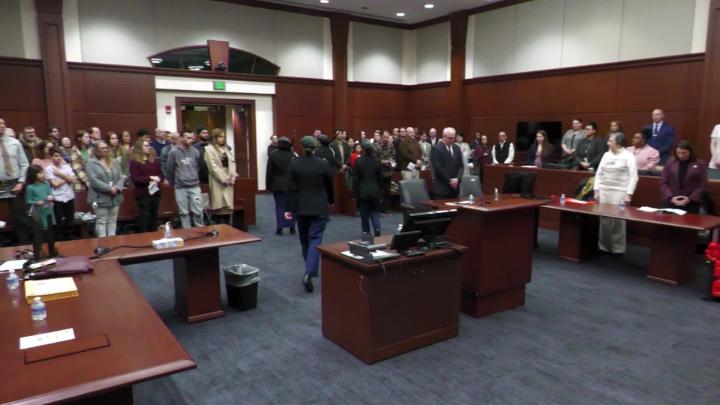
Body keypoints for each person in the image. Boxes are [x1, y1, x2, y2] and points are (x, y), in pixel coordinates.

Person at [284, 136, 334, 293]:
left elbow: (289, 187)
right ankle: (309, 272)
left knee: (305, 240)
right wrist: (331, 201)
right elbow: (329, 185)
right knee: (315, 239)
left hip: (301, 207)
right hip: (319, 206)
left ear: (301, 146)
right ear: (315, 147)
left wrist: (288, 208)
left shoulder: (294, 163)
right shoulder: (323, 164)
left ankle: (309, 269)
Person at [593, 133, 638, 254]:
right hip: (604, 190)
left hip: (620, 191)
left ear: (618, 143)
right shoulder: (606, 155)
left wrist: (629, 194)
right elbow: (599, 173)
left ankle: (617, 248)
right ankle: (603, 246)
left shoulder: (629, 156)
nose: (608, 143)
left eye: (611, 141)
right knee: (604, 219)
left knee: (618, 220)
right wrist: (596, 190)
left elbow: (633, 177)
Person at [0, 116, 30, 243]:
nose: (2, 125)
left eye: (3, 123)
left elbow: (24, 164)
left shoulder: (15, 142)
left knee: (20, 218)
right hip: (0, 184)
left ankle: (24, 245)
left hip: (14, 183)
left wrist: (21, 182)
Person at [87, 140, 124, 237]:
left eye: (106, 148)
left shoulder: (114, 161)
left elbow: (121, 177)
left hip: (115, 196)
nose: (105, 150)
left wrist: (117, 187)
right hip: (99, 197)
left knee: (113, 219)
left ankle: (112, 241)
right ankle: (102, 243)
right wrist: (109, 189)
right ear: (96, 150)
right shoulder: (91, 163)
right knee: (101, 221)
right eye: (102, 148)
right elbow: (93, 180)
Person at [167, 130, 204, 228]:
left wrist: (193, 176)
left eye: (192, 138)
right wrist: (173, 183)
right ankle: (187, 232)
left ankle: (201, 229)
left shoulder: (195, 152)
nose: (190, 140)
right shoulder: (173, 152)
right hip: (180, 188)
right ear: (181, 138)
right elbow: (170, 169)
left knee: (198, 210)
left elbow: (197, 167)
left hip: (194, 187)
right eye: (188, 138)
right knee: (184, 212)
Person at [660, 141, 707, 214]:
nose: (681, 155)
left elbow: (703, 184)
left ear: (690, 152)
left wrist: (690, 199)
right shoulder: (670, 162)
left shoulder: (700, 164)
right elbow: (663, 182)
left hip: (691, 202)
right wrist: (671, 197)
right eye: (678, 152)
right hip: (671, 201)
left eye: (684, 153)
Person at [129, 139, 163, 233]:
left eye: (148, 145)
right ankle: (144, 235)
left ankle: (154, 234)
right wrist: (150, 178)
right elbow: (135, 178)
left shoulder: (154, 160)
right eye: (145, 146)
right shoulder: (134, 162)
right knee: (144, 216)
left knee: (154, 216)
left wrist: (159, 179)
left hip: (155, 192)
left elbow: (161, 174)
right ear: (139, 148)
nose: (148, 147)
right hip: (143, 193)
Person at [205, 129, 238, 224]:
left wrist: (232, 176)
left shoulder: (226, 149)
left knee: (228, 207)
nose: (222, 139)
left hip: (229, 179)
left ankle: (228, 227)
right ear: (215, 138)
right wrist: (224, 179)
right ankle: (218, 227)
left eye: (223, 136)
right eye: (220, 136)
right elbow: (213, 167)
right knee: (219, 207)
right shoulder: (209, 150)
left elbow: (232, 163)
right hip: (217, 180)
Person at [44, 147, 77, 241]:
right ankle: (60, 240)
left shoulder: (67, 167)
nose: (59, 158)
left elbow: (74, 180)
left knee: (70, 220)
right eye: (56, 156)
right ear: (51, 157)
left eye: (60, 156)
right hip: (57, 198)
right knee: (59, 222)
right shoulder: (48, 169)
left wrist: (61, 174)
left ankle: (70, 240)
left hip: (69, 196)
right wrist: (67, 178)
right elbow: (55, 184)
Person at [266, 136, 297, 235]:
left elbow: (269, 172)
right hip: (291, 185)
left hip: (277, 184)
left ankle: (280, 228)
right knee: (291, 206)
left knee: (279, 206)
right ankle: (292, 227)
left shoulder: (273, 155)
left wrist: (268, 185)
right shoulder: (293, 155)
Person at [353, 141, 383, 237]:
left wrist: (354, 192)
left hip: (363, 190)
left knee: (364, 213)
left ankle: (366, 232)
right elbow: (380, 177)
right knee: (374, 211)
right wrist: (380, 189)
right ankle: (377, 228)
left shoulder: (359, 161)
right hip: (375, 189)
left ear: (363, 149)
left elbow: (355, 178)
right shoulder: (377, 160)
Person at [25, 164, 56, 255]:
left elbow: (51, 194)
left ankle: (51, 250)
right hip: (38, 213)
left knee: (49, 232)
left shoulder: (46, 184)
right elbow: (28, 201)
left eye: (42, 173)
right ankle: (39, 251)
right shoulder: (30, 187)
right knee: (39, 233)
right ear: (33, 174)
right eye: (39, 173)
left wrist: (51, 197)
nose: (42, 175)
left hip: (48, 211)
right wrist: (36, 202)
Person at [430, 127, 464, 199]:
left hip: (455, 190)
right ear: (444, 136)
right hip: (442, 190)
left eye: (453, 138)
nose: (452, 140)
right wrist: (450, 181)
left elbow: (461, 166)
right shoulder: (436, 149)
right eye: (450, 138)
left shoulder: (457, 148)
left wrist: (458, 179)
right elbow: (438, 168)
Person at [375, 130, 395, 213]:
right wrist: (383, 161)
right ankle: (378, 208)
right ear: (381, 137)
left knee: (387, 191)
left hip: (388, 171)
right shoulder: (376, 146)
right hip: (379, 172)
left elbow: (393, 155)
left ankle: (386, 208)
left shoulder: (391, 145)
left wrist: (392, 161)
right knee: (380, 191)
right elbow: (374, 159)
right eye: (385, 137)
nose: (386, 139)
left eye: (387, 137)